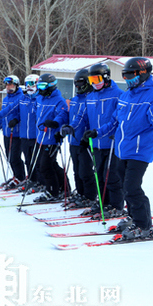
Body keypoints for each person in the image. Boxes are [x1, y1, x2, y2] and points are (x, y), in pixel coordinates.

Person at [91, 57, 153, 240]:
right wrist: (97, 132)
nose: (127, 79)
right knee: (125, 187)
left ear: (143, 74)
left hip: (140, 151)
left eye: (130, 75)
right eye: (124, 75)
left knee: (132, 187)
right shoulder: (126, 95)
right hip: (122, 150)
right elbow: (115, 121)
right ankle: (134, 217)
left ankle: (144, 225)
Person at [72, 63, 125, 216]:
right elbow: (82, 116)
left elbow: (118, 119)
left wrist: (117, 132)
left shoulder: (118, 95)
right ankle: (103, 203)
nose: (94, 83)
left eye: (97, 79)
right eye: (91, 80)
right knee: (99, 177)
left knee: (112, 178)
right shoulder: (91, 96)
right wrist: (71, 127)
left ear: (106, 77)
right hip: (96, 143)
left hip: (112, 143)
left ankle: (117, 206)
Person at [60, 69, 97, 207]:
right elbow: (70, 118)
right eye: (76, 84)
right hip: (73, 141)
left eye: (80, 83)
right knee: (76, 171)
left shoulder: (91, 99)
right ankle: (81, 194)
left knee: (85, 171)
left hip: (85, 141)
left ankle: (90, 196)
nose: (78, 87)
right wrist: (64, 127)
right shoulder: (74, 100)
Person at [33, 74, 69, 202]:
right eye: (39, 86)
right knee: (50, 164)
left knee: (46, 166)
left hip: (52, 138)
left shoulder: (59, 100)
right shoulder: (40, 99)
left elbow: (63, 114)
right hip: (41, 137)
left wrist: (55, 123)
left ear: (51, 86)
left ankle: (52, 191)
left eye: (42, 86)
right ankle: (64, 188)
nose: (40, 89)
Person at [0, 75, 26, 189]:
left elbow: (22, 113)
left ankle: (20, 176)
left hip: (17, 132)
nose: (9, 87)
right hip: (7, 132)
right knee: (9, 156)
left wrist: (16, 119)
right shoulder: (6, 98)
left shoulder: (21, 97)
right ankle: (16, 175)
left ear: (17, 85)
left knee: (15, 156)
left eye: (11, 85)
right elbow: (3, 114)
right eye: (7, 85)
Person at [18, 74, 41, 192]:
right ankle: (31, 179)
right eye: (27, 84)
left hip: (35, 136)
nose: (29, 87)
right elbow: (12, 109)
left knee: (37, 161)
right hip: (24, 135)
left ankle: (39, 181)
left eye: (32, 84)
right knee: (27, 160)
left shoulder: (39, 99)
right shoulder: (23, 99)